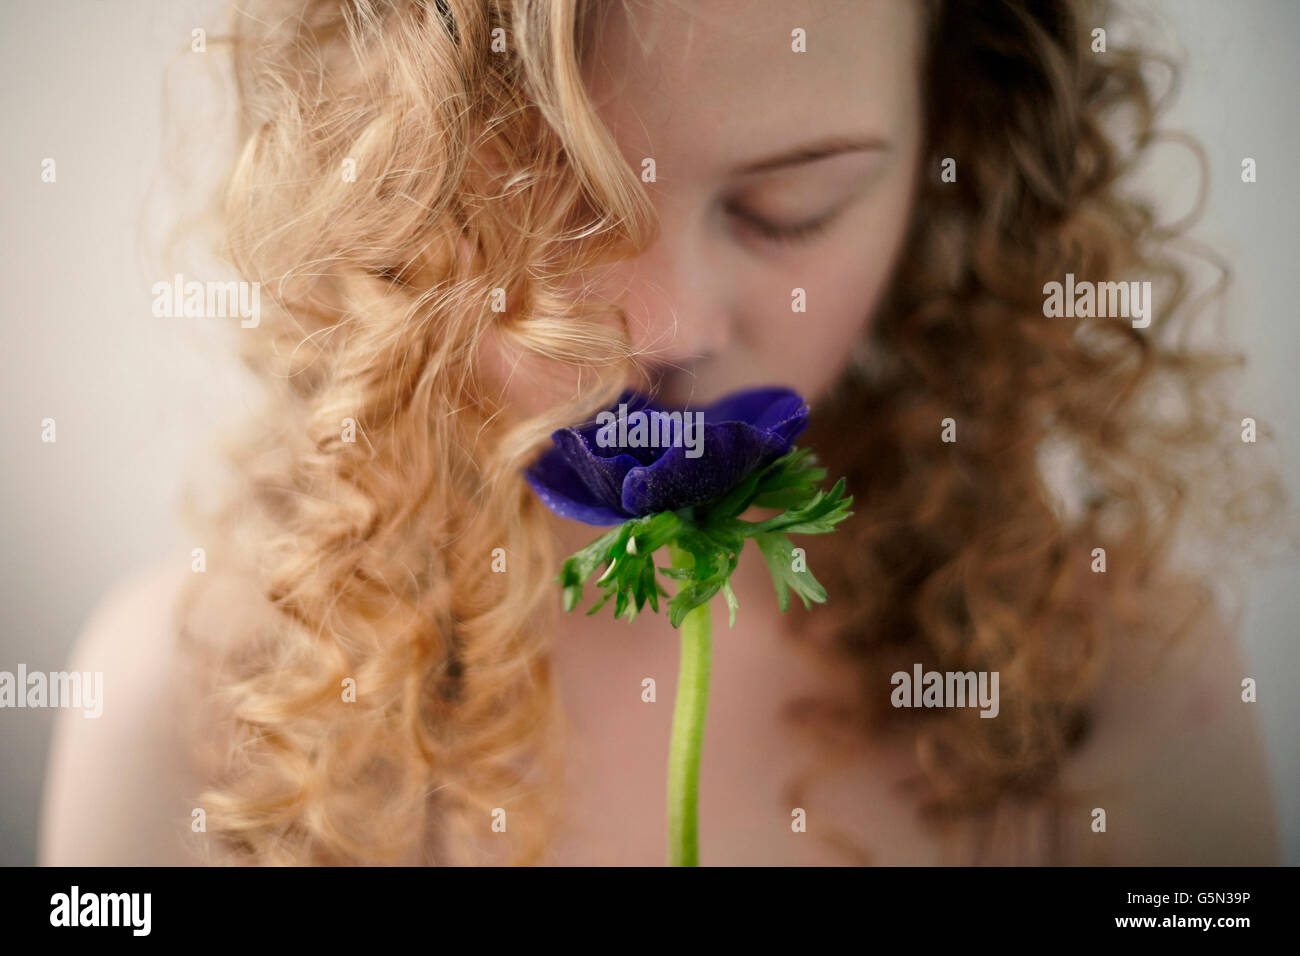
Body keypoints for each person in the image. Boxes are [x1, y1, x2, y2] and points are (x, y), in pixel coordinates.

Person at [40, 0, 1281, 866]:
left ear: (955, 136)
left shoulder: (1119, 703)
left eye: (790, 207)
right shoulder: (198, 719)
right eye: (561, 205)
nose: (667, 323)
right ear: (386, 173)